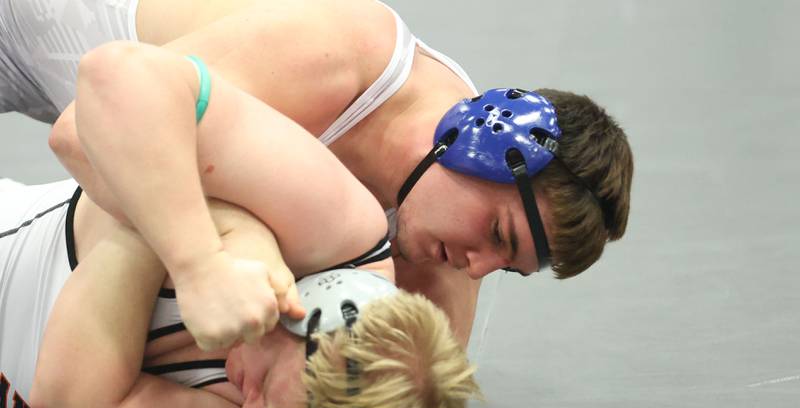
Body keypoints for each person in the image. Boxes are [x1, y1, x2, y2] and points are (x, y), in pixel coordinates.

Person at [0, 0, 634, 350]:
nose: (476, 268)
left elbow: (418, 388)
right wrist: (217, 251)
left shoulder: (449, 232)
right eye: (499, 236)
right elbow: (85, 133)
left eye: (506, 269)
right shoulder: (346, 52)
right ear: (481, 143)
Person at [1, 176, 482, 408]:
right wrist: (208, 241)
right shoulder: (318, 218)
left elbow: (75, 401)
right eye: (268, 385)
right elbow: (112, 138)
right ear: (310, 308)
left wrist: (170, 221)